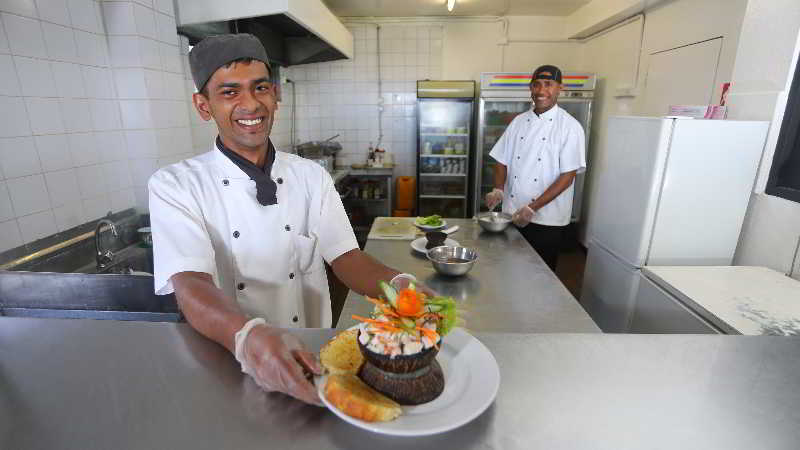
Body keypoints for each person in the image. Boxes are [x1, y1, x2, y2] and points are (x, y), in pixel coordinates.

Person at [148, 34, 419, 406]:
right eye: (230, 92)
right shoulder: (176, 184)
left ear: (275, 94)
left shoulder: (311, 176)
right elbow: (191, 284)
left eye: (259, 87)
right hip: (231, 359)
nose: (250, 104)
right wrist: (247, 337)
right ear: (203, 106)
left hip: (313, 357)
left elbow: (346, 259)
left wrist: (400, 287)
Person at [485, 65, 586, 270]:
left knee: (540, 275)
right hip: (513, 213)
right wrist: (498, 189)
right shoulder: (519, 122)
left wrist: (533, 208)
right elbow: (501, 160)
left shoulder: (570, 127)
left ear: (560, 88)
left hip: (547, 220)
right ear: (531, 88)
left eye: (548, 84)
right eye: (536, 85)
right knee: (509, 268)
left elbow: (568, 177)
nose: (541, 91)